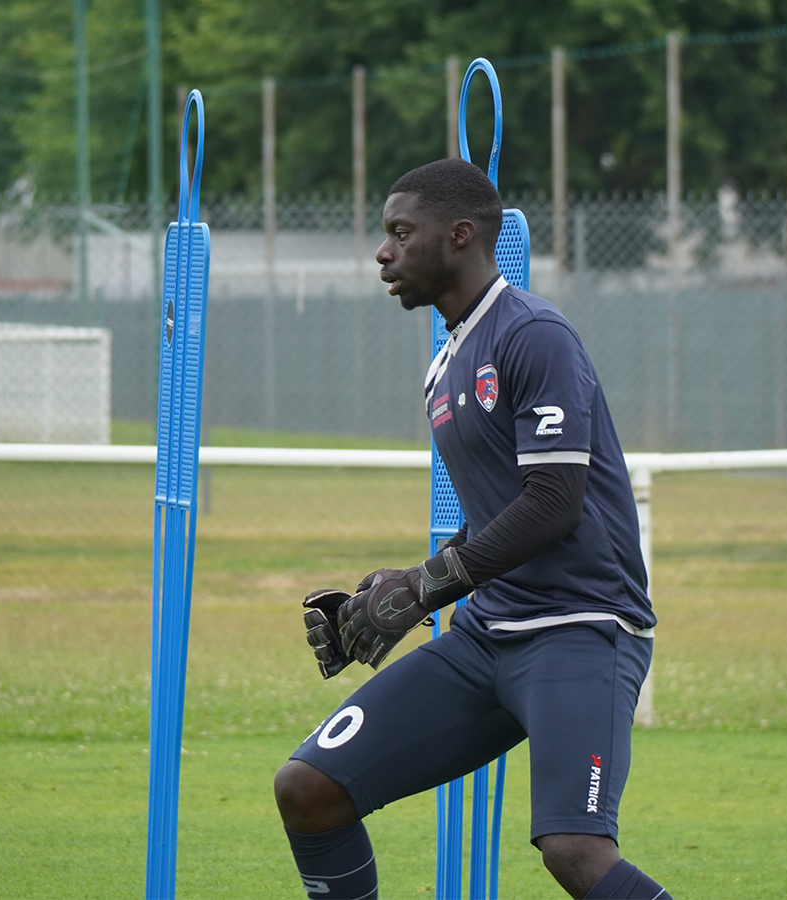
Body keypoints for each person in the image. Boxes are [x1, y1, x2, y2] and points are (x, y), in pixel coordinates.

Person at [273, 158, 671, 900]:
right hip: (490, 635)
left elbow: (555, 504)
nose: (383, 253)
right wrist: (395, 587)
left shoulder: (535, 335)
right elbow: (494, 521)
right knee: (308, 788)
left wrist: (425, 590)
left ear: (459, 236)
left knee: (574, 849)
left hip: (581, 629)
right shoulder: (445, 363)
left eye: (400, 233)